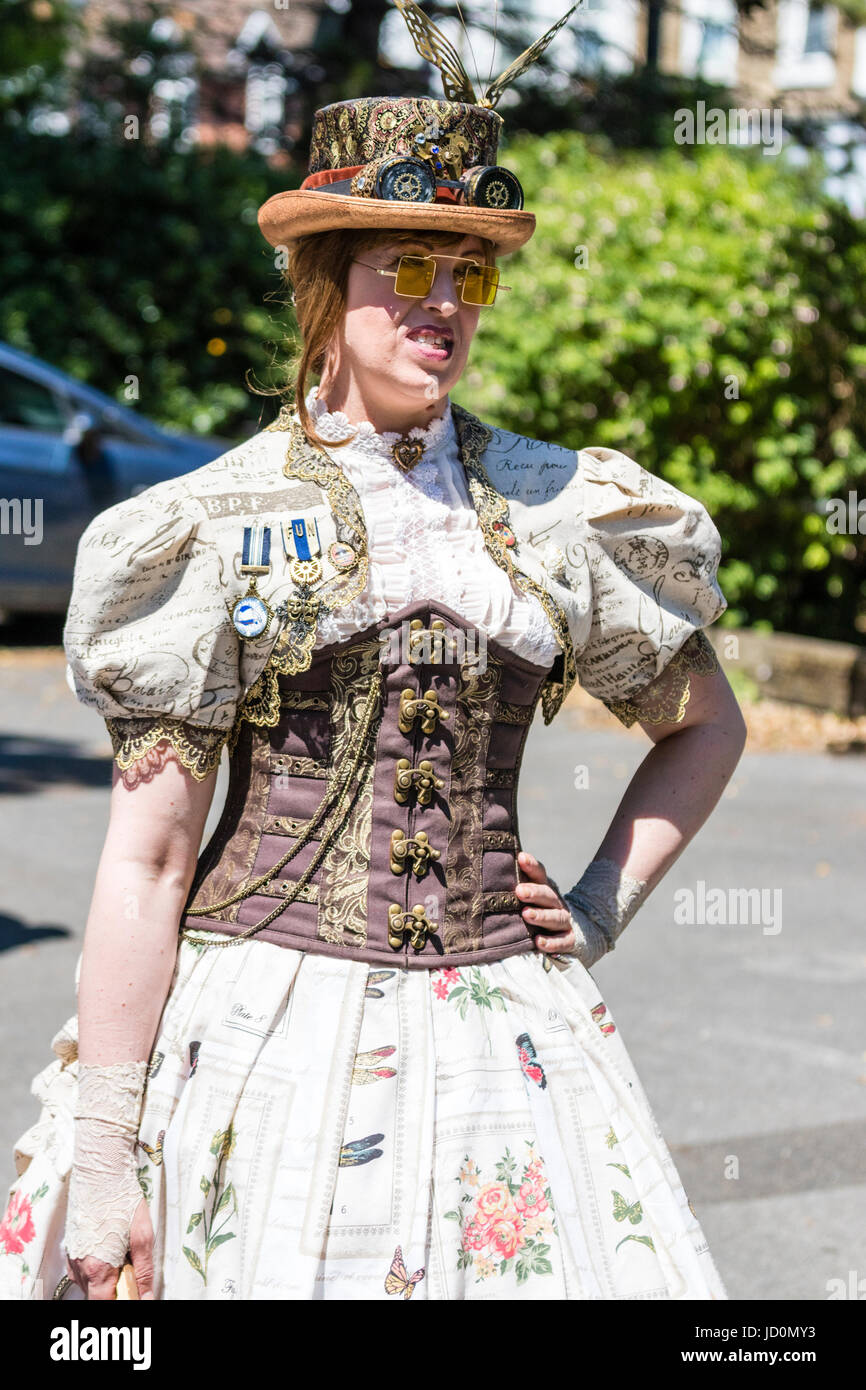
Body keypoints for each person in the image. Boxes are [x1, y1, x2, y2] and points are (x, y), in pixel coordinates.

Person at [0, 11, 746, 1302]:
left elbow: (706, 725)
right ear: (325, 285)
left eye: (470, 277)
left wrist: (596, 908)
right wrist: (110, 1160)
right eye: (407, 270)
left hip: (500, 1033)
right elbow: (151, 855)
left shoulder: (559, 509)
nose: (443, 306)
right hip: (261, 1029)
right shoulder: (210, 529)